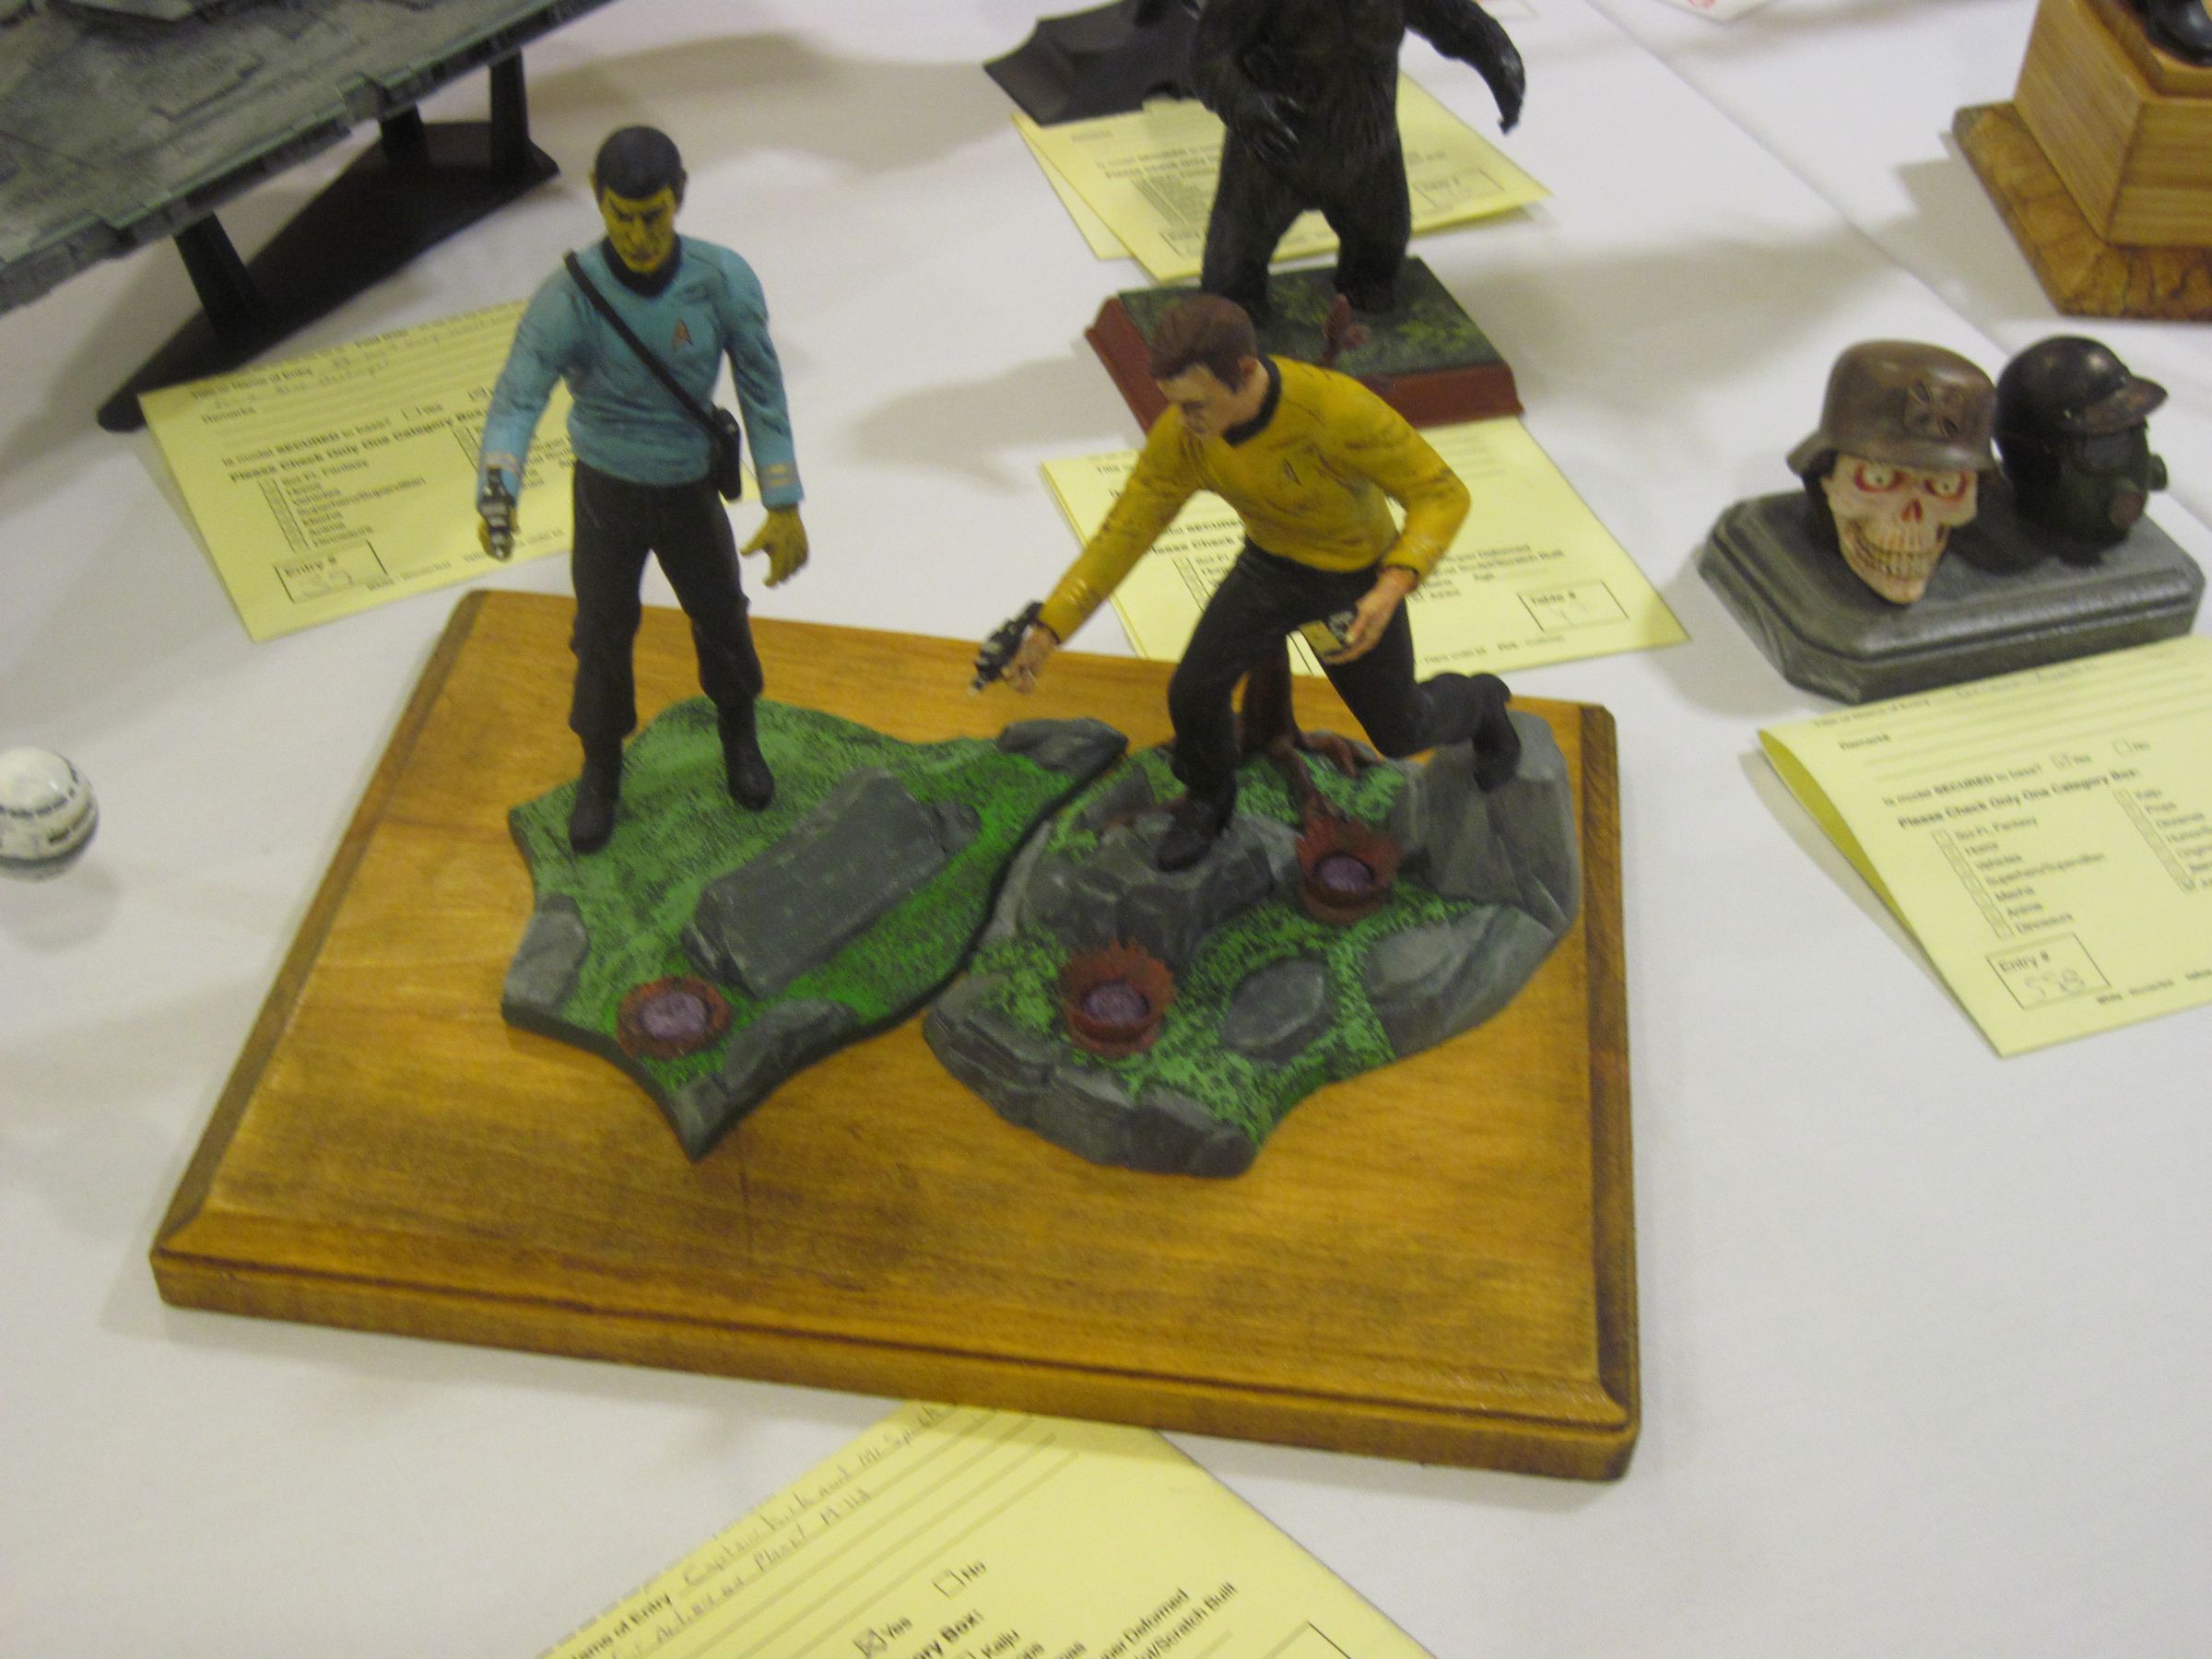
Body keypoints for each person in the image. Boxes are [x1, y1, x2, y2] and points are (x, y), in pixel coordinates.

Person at [1006, 295, 1520, 872]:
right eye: (1174, 403)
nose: (1184, 420)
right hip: (1270, 570)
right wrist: (1051, 627)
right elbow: (1123, 534)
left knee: (1401, 730)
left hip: (1352, 582)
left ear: (1245, 371)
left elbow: (1441, 493)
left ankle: (1481, 703)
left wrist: (1394, 583)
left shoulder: (1335, 410)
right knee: (1193, 691)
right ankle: (1208, 797)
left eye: (1196, 404)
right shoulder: (1186, 436)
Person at [477, 125, 808, 853]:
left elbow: (762, 390)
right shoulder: (568, 299)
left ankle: (739, 737)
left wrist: (783, 502)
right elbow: (517, 397)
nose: (637, 236)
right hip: (607, 494)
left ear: (679, 197)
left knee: (723, 619)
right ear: (598, 201)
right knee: (600, 635)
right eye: (621, 217)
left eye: (652, 215)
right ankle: (600, 769)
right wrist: (497, 490)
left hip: (688, 490)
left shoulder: (721, 281)